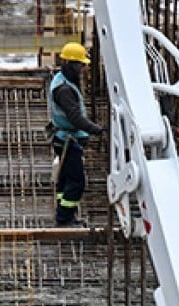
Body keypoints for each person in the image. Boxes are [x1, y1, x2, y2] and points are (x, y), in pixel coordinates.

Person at [47, 42, 104, 228]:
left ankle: (64, 215)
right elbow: (75, 117)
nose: (84, 69)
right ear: (70, 64)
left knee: (65, 180)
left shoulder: (64, 80)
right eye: (81, 65)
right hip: (67, 140)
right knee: (77, 181)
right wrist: (97, 130)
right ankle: (64, 219)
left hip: (64, 138)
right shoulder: (64, 89)